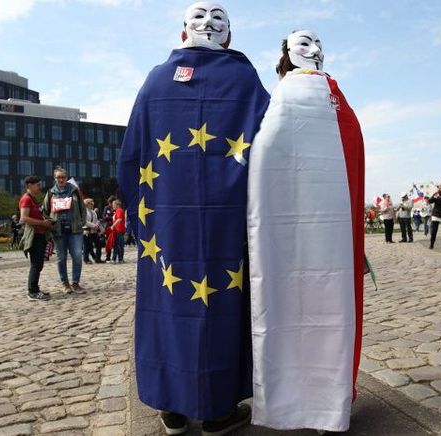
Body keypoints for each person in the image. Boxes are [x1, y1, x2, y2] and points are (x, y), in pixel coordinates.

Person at [117, 3, 268, 433]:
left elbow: (131, 156)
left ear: (183, 36)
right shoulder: (244, 79)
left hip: (163, 226)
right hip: (228, 225)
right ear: (229, 37)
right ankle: (217, 409)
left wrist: (139, 216)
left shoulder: (154, 81)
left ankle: (172, 406)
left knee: (166, 307)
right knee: (223, 309)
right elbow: (273, 145)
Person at [247, 29, 364, 432]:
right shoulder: (286, 96)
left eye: (318, 44)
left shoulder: (330, 95)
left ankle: (323, 404)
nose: (313, 50)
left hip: (320, 229)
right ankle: (308, 404)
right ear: (287, 54)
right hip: (297, 231)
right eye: (303, 44)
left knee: (321, 311)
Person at [43, 167, 87, 293]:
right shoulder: (51, 192)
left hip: (75, 229)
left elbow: (82, 208)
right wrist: (50, 223)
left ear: (67, 177)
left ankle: (76, 283)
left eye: (63, 177)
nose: (61, 179)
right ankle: (65, 283)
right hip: (58, 230)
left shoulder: (74, 191)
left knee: (77, 256)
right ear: (55, 178)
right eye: (58, 177)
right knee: (61, 257)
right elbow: (45, 211)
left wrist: (82, 222)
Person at [19, 176, 53, 301]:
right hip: (34, 235)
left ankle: (35, 288)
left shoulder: (33, 199)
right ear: (30, 186)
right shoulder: (26, 199)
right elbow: (24, 218)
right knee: (36, 264)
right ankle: (32, 291)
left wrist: (45, 221)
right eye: (37, 185)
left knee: (39, 264)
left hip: (40, 234)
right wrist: (42, 223)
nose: (39, 187)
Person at [82, 198, 101, 264]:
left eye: (92, 203)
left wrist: (97, 225)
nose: (92, 204)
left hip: (94, 231)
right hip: (86, 231)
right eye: (90, 203)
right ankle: (86, 259)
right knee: (87, 246)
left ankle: (98, 259)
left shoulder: (93, 212)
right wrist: (93, 226)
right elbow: (85, 221)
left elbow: (96, 220)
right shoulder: (84, 211)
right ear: (87, 204)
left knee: (99, 244)